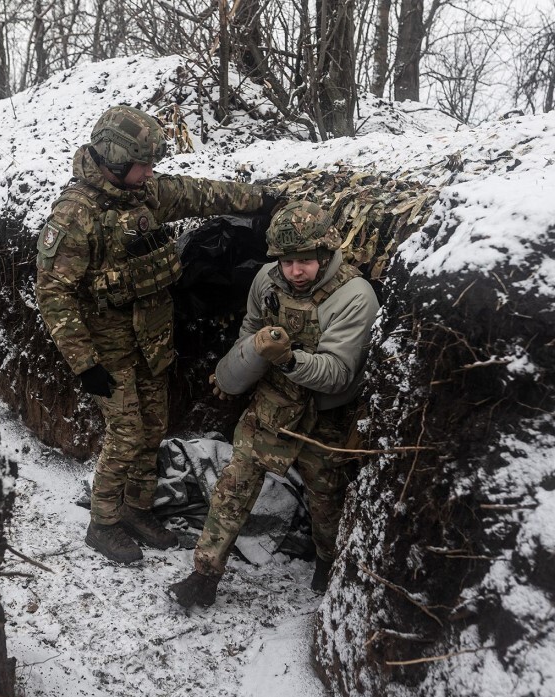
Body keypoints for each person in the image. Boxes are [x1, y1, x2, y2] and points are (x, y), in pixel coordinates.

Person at [35, 104, 278, 564]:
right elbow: (54, 296)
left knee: (153, 430)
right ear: (114, 158)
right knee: (126, 435)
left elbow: (202, 194)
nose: (151, 173)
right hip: (108, 351)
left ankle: (138, 510)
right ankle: (103, 523)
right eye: (143, 164)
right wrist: (85, 364)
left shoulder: (145, 194)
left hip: (151, 341)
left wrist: (261, 200)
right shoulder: (75, 216)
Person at [169, 200, 380, 608]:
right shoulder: (267, 281)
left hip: (325, 417)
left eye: (304, 261)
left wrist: (287, 358)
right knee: (233, 487)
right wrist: (240, 365)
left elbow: (339, 373)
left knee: (326, 501)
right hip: (272, 404)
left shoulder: (355, 296)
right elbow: (249, 331)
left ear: (325, 253)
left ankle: (326, 561)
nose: (294, 272)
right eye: (286, 261)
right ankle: (203, 574)